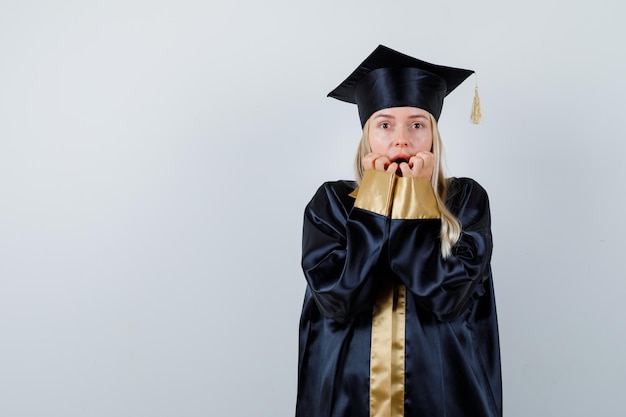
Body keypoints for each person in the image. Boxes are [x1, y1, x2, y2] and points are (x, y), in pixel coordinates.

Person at [296, 45, 502, 417]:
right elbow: (337, 299)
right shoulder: (332, 202)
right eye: (385, 124)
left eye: (417, 124)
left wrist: (416, 198)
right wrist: (375, 200)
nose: (401, 140)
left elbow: (444, 297)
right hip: (347, 397)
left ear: (434, 135)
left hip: (444, 396)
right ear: (367, 137)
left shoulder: (465, 200)